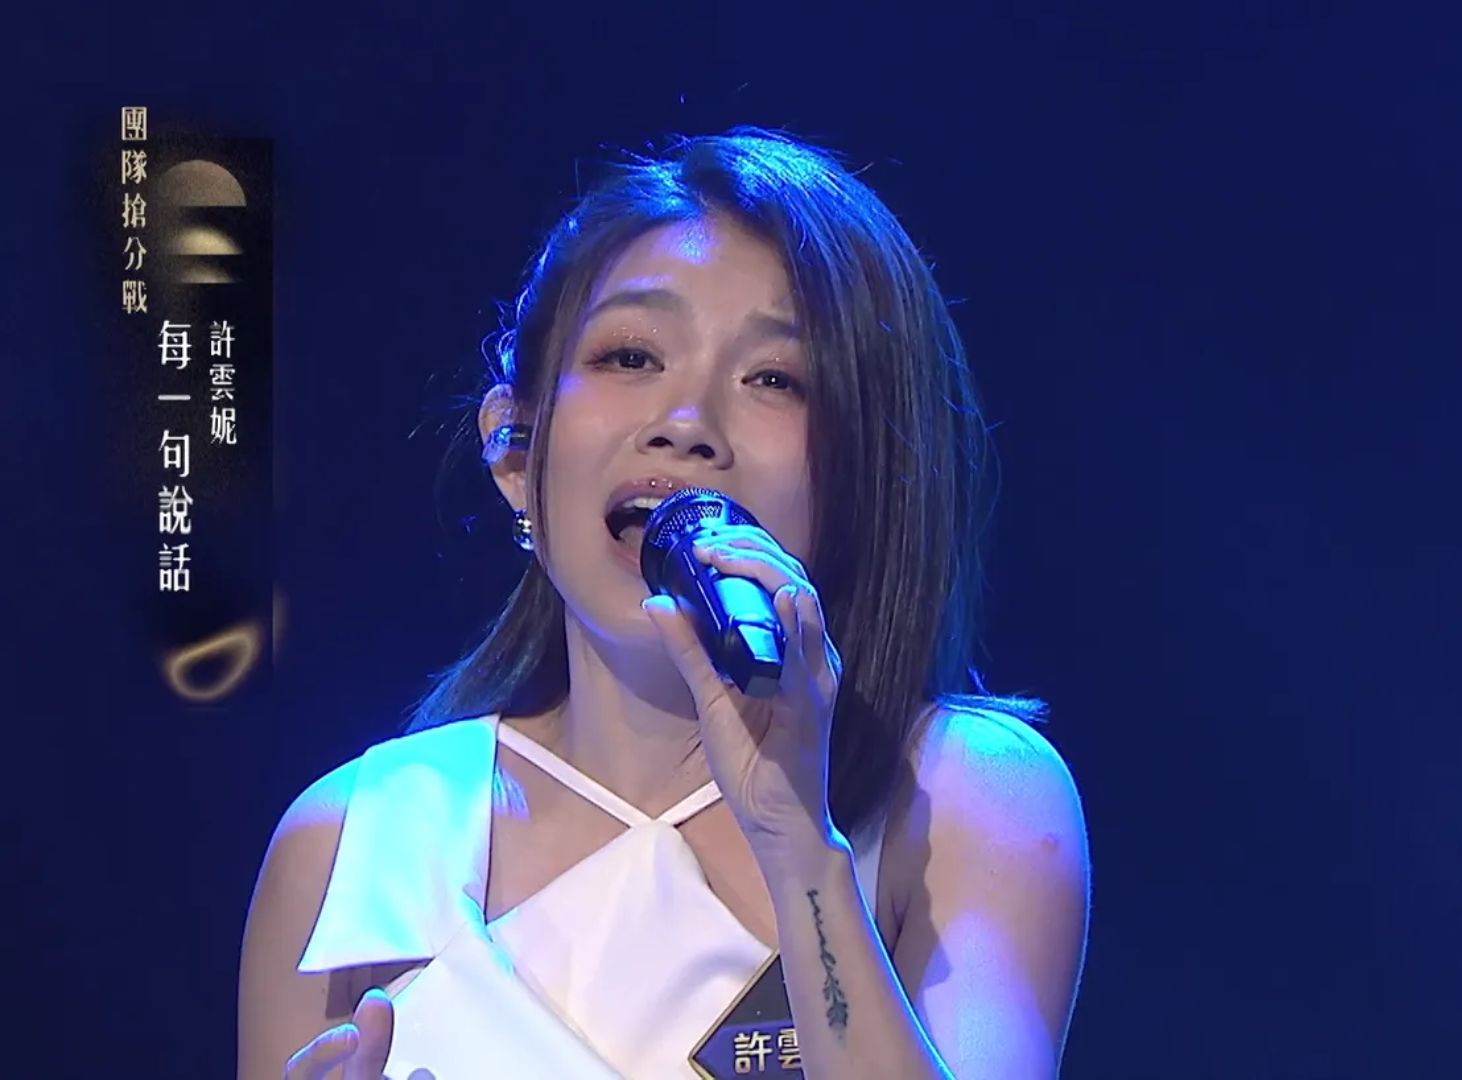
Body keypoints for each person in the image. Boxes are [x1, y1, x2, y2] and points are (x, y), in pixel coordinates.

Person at [236, 128, 1090, 1079]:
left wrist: (801, 849)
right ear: (515, 450)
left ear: (866, 475)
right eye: (631, 356)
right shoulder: (353, 844)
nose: (686, 425)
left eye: (775, 379)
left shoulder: (959, 797)